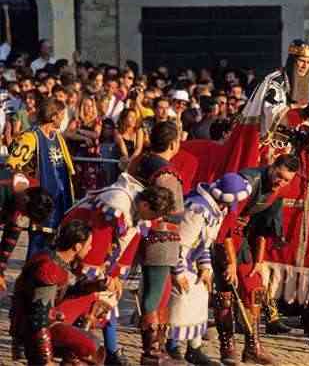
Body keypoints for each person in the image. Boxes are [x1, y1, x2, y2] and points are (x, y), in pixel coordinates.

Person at [63, 175, 175, 365]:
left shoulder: (138, 212)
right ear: (146, 205)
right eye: (152, 216)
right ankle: (73, 354)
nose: (151, 220)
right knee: (86, 300)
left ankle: (108, 352)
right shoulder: (115, 204)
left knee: (107, 300)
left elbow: (127, 246)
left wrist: (115, 277)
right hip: (78, 245)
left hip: (103, 255)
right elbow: (97, 243)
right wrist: (101, 277)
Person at [213, 154, 299, 365]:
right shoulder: (248, 181)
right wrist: (231, 262)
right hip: (218, 234)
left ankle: (253, 347)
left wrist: (259, 261)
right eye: (279, 176)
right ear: (272, 167)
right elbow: (224, 222)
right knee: (225, 291)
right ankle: (227, 348)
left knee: (254, 288)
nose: (281, 182)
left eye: (287, 180)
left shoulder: (280, 190)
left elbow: (263, 228)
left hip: (239, 238)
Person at [167, 173, 251, 365]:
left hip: (193, 262)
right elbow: (180, 244)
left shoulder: (216, 210)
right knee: (178, 307)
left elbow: (205, 243)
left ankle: (194, 349)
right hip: (179, 262)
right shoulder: (197, 209)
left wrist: (205, 267)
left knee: (199, 302)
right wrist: (178, 272)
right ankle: (171, 347)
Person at [9, 220, 105, 365]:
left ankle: (70, 356)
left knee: (90, 301)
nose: (91, 248)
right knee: (90, 345)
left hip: (46, 320)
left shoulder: (59, 260)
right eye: (89, 244)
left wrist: (96, 286)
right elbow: (39, 318)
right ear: (77, 246)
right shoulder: (49, 268)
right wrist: (45, 358)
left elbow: (68, 289)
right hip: (33, 329)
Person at [129, 120, 185, 365]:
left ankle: (157, 349)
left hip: (148, 233)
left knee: (156, 292)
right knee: (155, 294)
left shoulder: (141, 162)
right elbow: (168, 209)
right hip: (161, 236)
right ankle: (152, 353)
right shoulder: (166, 173)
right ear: (173, 142)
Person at [6, 98, 75, 258]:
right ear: (53, 116)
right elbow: (13, 164)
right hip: (41, 201)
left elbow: (66, 169)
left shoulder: (58, 137)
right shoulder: (31, 137)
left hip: (60, 199)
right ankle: (30, 279)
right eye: (62, 115)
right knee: (37, 245)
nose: (64, 118)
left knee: (53, 246)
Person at [0, 182, 54, 292]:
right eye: (25, 213)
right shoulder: (4, 191)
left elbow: (9, 242)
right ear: (24, 199)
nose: (23, 216)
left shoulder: (24, 202)